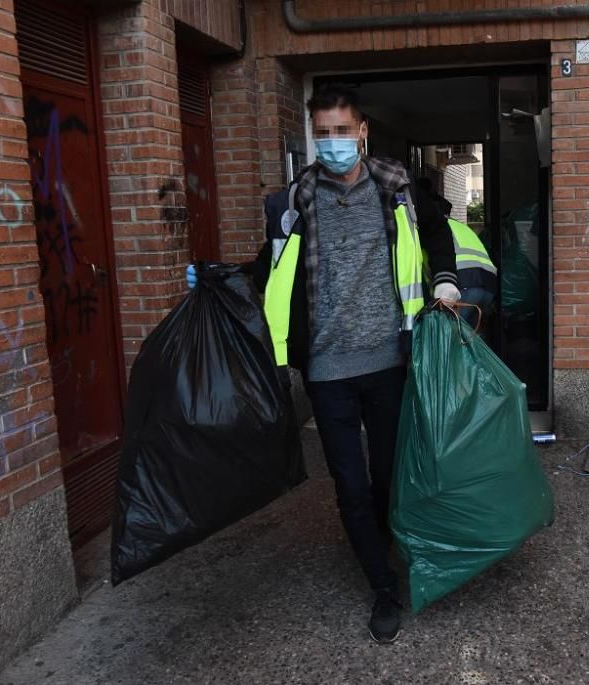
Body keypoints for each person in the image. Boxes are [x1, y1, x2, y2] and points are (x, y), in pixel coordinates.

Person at [186, 86, 460, 643]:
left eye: (342, 130)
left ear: (362, 132)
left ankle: (380, 539)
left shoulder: (397, 188)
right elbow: (270, 265)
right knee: (350, 484)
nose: (332, 143)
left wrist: (446, 280)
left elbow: (436, 232)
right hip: (327, 368)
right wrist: (222, 279)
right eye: (323, 133)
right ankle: (383, 587)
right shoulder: (296, 199)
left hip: (388, 360)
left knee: (386, 475)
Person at [414, 177, 496, 328]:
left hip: (462, 284)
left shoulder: (431, 232)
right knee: (471, 339)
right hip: (489, 284)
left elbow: (425, 270)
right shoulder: (459, 226)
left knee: (451, 339)